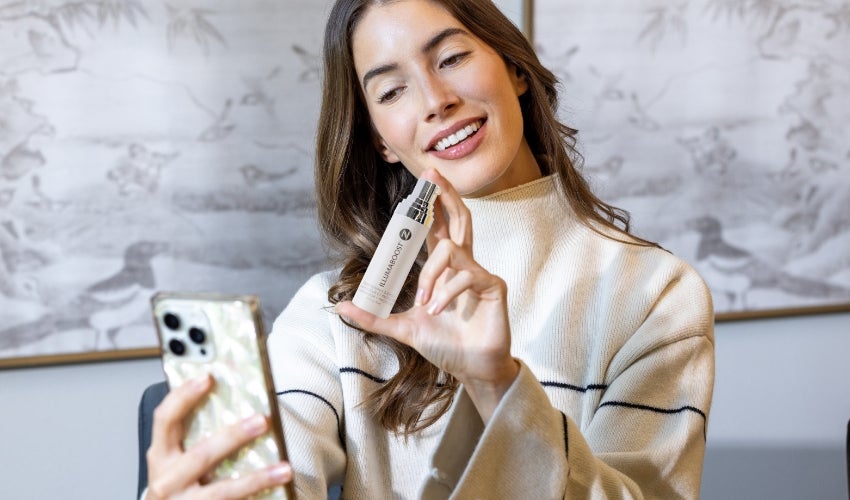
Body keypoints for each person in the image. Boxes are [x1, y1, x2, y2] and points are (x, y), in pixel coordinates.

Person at [144, 0, 715, 498]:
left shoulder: (657, 294)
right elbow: (282, 465)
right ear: (380, 139)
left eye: (452, 58)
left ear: (514, 67)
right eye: (392, 90)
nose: (435, 100)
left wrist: (499, 387)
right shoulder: (341, 311)